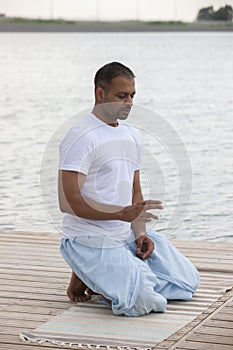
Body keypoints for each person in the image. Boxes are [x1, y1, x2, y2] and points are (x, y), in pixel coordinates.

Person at [58, 61, 199, 317]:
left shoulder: (132, 135)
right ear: (100, 94)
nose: (129, 102)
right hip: (87, 237)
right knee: (143, 301)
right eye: (121, 96)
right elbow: (69, 203)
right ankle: (92, 272)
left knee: (188, 282)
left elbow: (135, 192)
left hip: (124, 235)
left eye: (132, 95)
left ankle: (101, 277)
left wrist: (139, 233)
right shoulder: (81, 137)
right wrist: (118, 214)